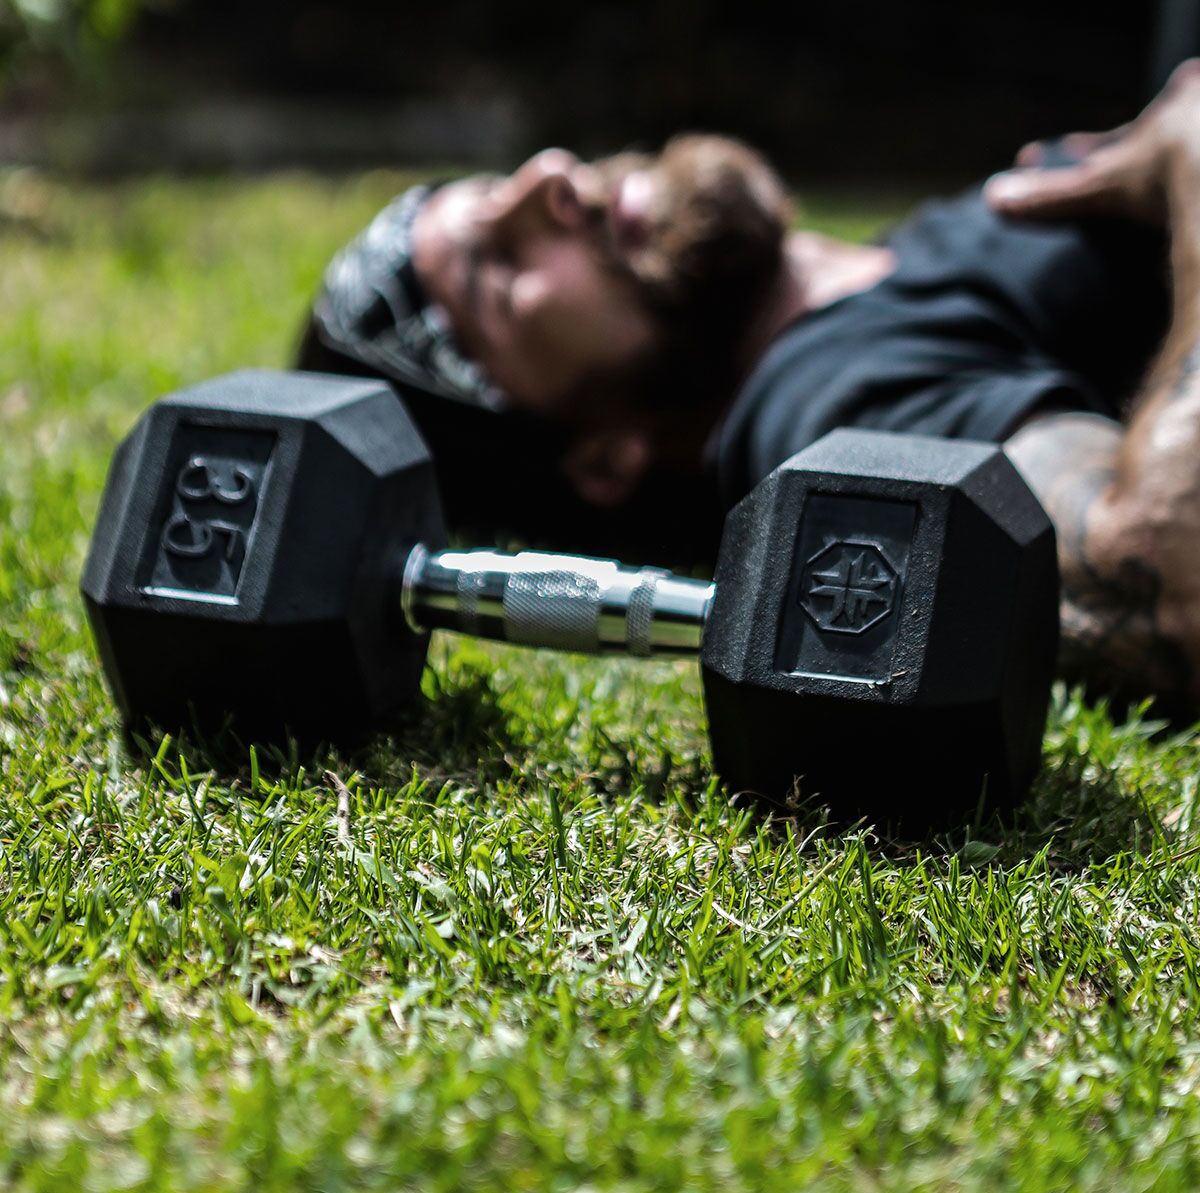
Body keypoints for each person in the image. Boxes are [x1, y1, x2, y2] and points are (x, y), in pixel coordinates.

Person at [298, 63, 1200, 717]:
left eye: (498, 188)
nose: (551, 176)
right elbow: (1166, 584)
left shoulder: (889, 270)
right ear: (603, 458)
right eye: (498, 268)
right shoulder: (837, 400)